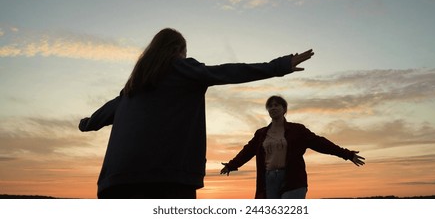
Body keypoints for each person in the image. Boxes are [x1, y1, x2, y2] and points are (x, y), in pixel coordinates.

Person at [78, 28, 315, 199]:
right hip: (166, 181)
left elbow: (97, 118)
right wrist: (280, 66)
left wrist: (85, 123)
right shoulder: (181, 69)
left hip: (115, 183)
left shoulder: (131, 89)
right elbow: (229, 72)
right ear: (177, 51)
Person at [221, 95, 365, 199]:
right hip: (269, 179)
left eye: (277, 105)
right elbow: (247, 151)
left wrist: (347, 154)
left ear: (284, 109)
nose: (273, 108)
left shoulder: (298, 130)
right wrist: (231, 165)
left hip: (292, 178)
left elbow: (321, 143)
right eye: (270, 106)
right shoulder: (261, 133)